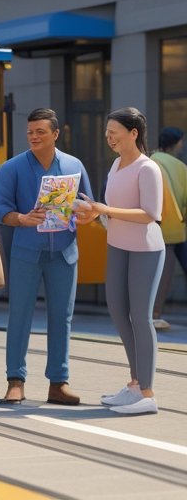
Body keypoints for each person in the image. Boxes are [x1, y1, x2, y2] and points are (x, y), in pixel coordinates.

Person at [0, 107, 93, 406]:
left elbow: (90, 206)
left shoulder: (74, 165)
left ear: (56, 134)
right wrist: (22, 219)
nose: (33, 137)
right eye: (30, 132)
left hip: (64, 252)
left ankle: (58, 383)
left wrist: (84, 214)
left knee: (62, 318)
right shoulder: (11, 168)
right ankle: (15, 380)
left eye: (40, 132)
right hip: (26, 252)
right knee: (19, 315)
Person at [83, 108, 164, 415]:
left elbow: (150, 213)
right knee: (118, 312)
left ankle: (146, 392)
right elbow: (111, 209)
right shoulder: (116, 164)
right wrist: (94, 211)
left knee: (141, 317)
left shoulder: (148, 168)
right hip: (117, 245)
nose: (109, 138)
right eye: (107, 133)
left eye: (114, 132)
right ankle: (134, 383)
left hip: (145, 249)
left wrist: (106, 209)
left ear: (134, 133)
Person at [152, 127, 187, 330]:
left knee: (159, 272)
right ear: (175, 143)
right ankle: (154, 315)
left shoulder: (151, 160)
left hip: (155, 226)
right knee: (164, 271)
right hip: (176, 230)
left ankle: (155, 313)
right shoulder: (181, 167)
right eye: (182, 141)